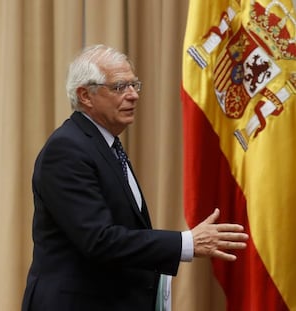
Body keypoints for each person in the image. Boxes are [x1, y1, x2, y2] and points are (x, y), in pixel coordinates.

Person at [21, 44, 248, 311]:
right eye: (119, 87)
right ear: (85, 95)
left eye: (134, 85)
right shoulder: (67, 149)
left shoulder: (105, 145)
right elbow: (99, 240)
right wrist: (186, 243)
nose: (133, 96)